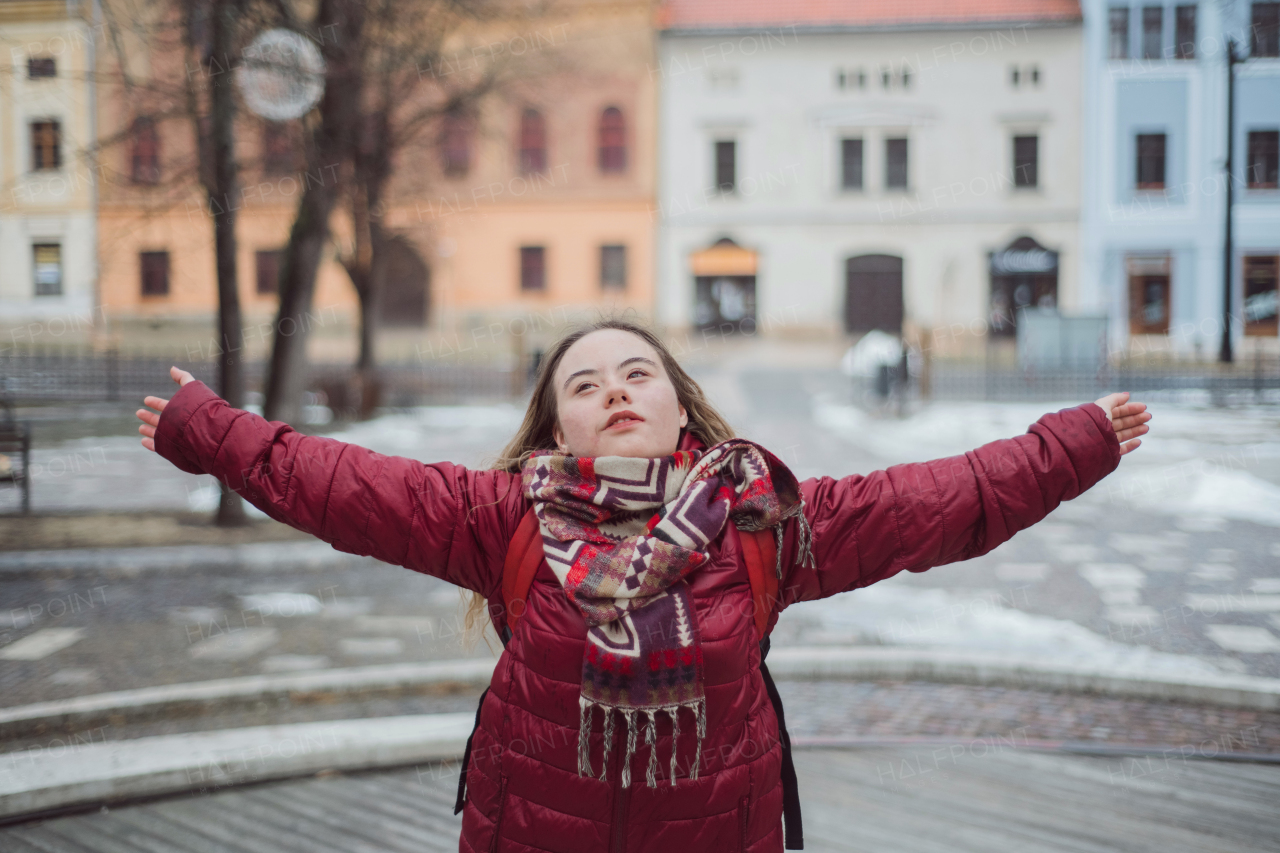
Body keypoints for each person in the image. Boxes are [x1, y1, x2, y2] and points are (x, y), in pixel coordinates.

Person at [135, 319, 1150, 853]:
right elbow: (341, 486)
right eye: (584, 383)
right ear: (554, 429)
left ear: (679, 411)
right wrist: (210, 431)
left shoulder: (762, 519)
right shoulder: (504, 516)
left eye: (635, 374)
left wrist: (1071, 443)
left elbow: (940, 499)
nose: (613, 390)